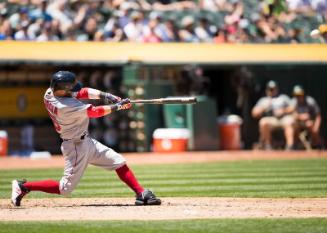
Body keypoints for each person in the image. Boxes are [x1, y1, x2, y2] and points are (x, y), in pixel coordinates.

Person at [11, 71, 161, 207]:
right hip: (75, 146)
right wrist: (118, 107)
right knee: (64, 189)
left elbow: (81, 92)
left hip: (85, 141)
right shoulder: (65, 105)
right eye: (70, 89)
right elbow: (94, 112)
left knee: (118, 161)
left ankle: (141, 193)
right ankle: (24, 186)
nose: (74, 91)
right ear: (63, 90)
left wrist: (106, 96)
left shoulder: (51, 92)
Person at [252, 80, 294, 150]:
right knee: (263, 122)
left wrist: (283, 110)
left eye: (273, 89)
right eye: (270, 89)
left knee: (289, 121)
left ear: (277, 89)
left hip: (283, 119)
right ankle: (268, 145)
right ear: (267, 90)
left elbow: (292, 108)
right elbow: (254, 113)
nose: (272, 91)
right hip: (271, 120)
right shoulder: (264, 100)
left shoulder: (283, 97)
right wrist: (264, 107)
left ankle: (290, 146)